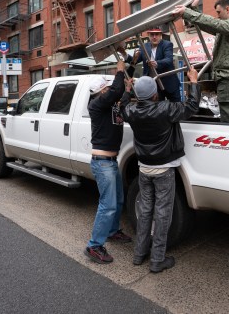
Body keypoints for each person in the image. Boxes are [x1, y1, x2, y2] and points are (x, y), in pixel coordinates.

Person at [121, 67, 201, 273]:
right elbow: (191, 107)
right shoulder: (165, 109)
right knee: (163, 213)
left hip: (144, 169)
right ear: (155, 94)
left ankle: (139, 254)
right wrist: (193, 82)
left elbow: (122, 107)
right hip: (164, 169)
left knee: (146, 211)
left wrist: (127, 90)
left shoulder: (131, 111)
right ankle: (157, 260)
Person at [85, 60, 133, 264]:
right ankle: (94, 245)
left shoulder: (109, 104)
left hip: (111, 161)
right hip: (102, 162)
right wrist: (120, 70)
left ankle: (112, 231)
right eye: (106, 88)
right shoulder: (96, 105)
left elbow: (119, 96)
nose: (110, 90)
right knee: (108, 204)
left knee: (118, 201)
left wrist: (128, 90)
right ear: (100, 92)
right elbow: (115, 92)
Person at [174, 0, 229, 123]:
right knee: (227, 117)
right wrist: (194, 9)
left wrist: (186, 12)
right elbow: (209, 26)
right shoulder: (227, 28)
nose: (217, 15)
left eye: (219, 12)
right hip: (228, 77)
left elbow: (213, 23)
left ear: (228, 9)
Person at [119, 27, 182, 102]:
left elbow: (169, 60)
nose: (154, 37)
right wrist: (123, 53)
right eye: (152, 34)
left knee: (177, 107)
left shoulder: (167, 44)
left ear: (160, 35)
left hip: (170, 83)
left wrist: (156, 63)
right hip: (154, 86)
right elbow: (134, 61)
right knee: (157, 110)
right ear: (148, 35)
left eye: (156, 34)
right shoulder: (144, 46)